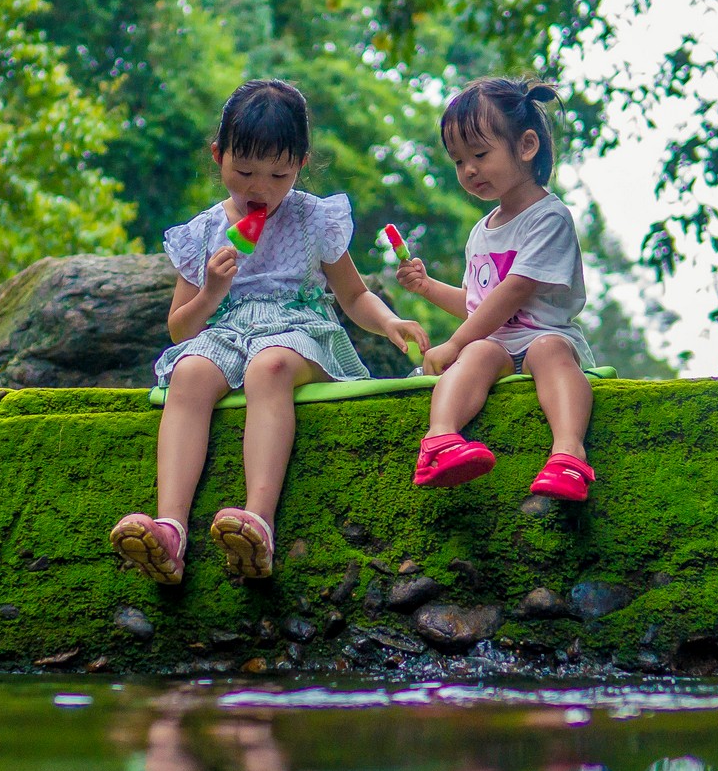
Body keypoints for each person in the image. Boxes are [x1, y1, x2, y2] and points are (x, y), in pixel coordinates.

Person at [111, 79, 427, 583]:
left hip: (301, 330)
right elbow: (179, 328)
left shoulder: (313, 218)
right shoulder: (203, 233)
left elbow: (353, 295)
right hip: (224, 334)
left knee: (270, 365)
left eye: (278, 173)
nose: (260, 188)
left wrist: (389, 321)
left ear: (301, 163)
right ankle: (170, 528)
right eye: (244, 171)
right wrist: (211, 291)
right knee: (189, 373)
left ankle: (258, 520)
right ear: (219, 156)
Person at [395, 77, 598, 501]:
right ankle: (439, 440)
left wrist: (452, 344)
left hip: (546, 338)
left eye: (480, 154)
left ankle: (568, 454)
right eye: (458, 161)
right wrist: (428, 287)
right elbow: (478, 305)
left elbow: (514, 292)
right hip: (498, 345)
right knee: (478, 351)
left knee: (546, 350)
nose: (468, 170)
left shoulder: (549, 217)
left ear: (526, 146)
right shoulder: (481, 232)